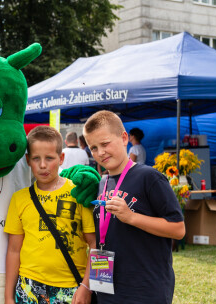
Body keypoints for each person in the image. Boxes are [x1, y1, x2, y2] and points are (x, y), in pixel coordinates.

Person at [82, 110, 185, 303]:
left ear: (123, 138)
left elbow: (178, 229)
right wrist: (87, 286)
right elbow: (100, 238)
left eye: (105, 144)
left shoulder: (150, 177)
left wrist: (132, 217)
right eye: (93, 148)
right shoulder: (102, 182)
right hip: (106, 287)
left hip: (144, 289)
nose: (100, 152)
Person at [4, 126, 96, 304]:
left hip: (71, 288)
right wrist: (9, 297)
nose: (43, 165)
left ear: (61, 158)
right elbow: (14, 250)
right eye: (36, 158)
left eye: (49, 158)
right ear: (28, 160)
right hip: (28, 287)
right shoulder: (19, 199)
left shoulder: (78, 193)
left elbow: (94, 244)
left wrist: (86, 286)